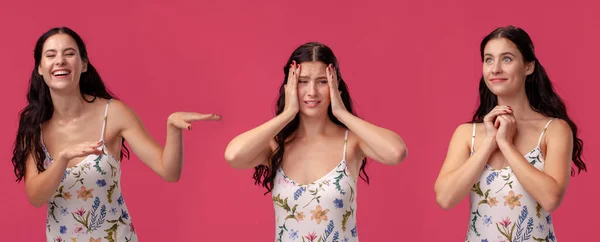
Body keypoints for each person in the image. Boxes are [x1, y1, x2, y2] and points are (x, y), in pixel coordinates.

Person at [10, 27, 221, 242]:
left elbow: (169, 172)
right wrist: (63, 158)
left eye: (69, 53)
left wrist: (173, 129)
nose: (60, 61)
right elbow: (36, 197)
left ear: (83, 65)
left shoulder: (113, 114)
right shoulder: (34, 126)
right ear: (40, 68)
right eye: (51, 55)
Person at [224, 42, 407, 241]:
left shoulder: (352, 142)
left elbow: (396, 152)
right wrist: (287, 114)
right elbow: (233, 155)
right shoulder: (276, 146)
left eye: (322, 81)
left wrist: (341, 113)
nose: (312, 92)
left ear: (335, 84)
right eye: (303, 81)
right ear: (290, 86)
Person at [434, 26, 586, 242]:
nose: (495, 69)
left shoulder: (554, 130)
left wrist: (506, 144)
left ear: (528, 66)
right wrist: (490, 142)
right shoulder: (468, 134)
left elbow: (550, 198)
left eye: (506, 59)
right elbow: (445, 198)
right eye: (488, 60)